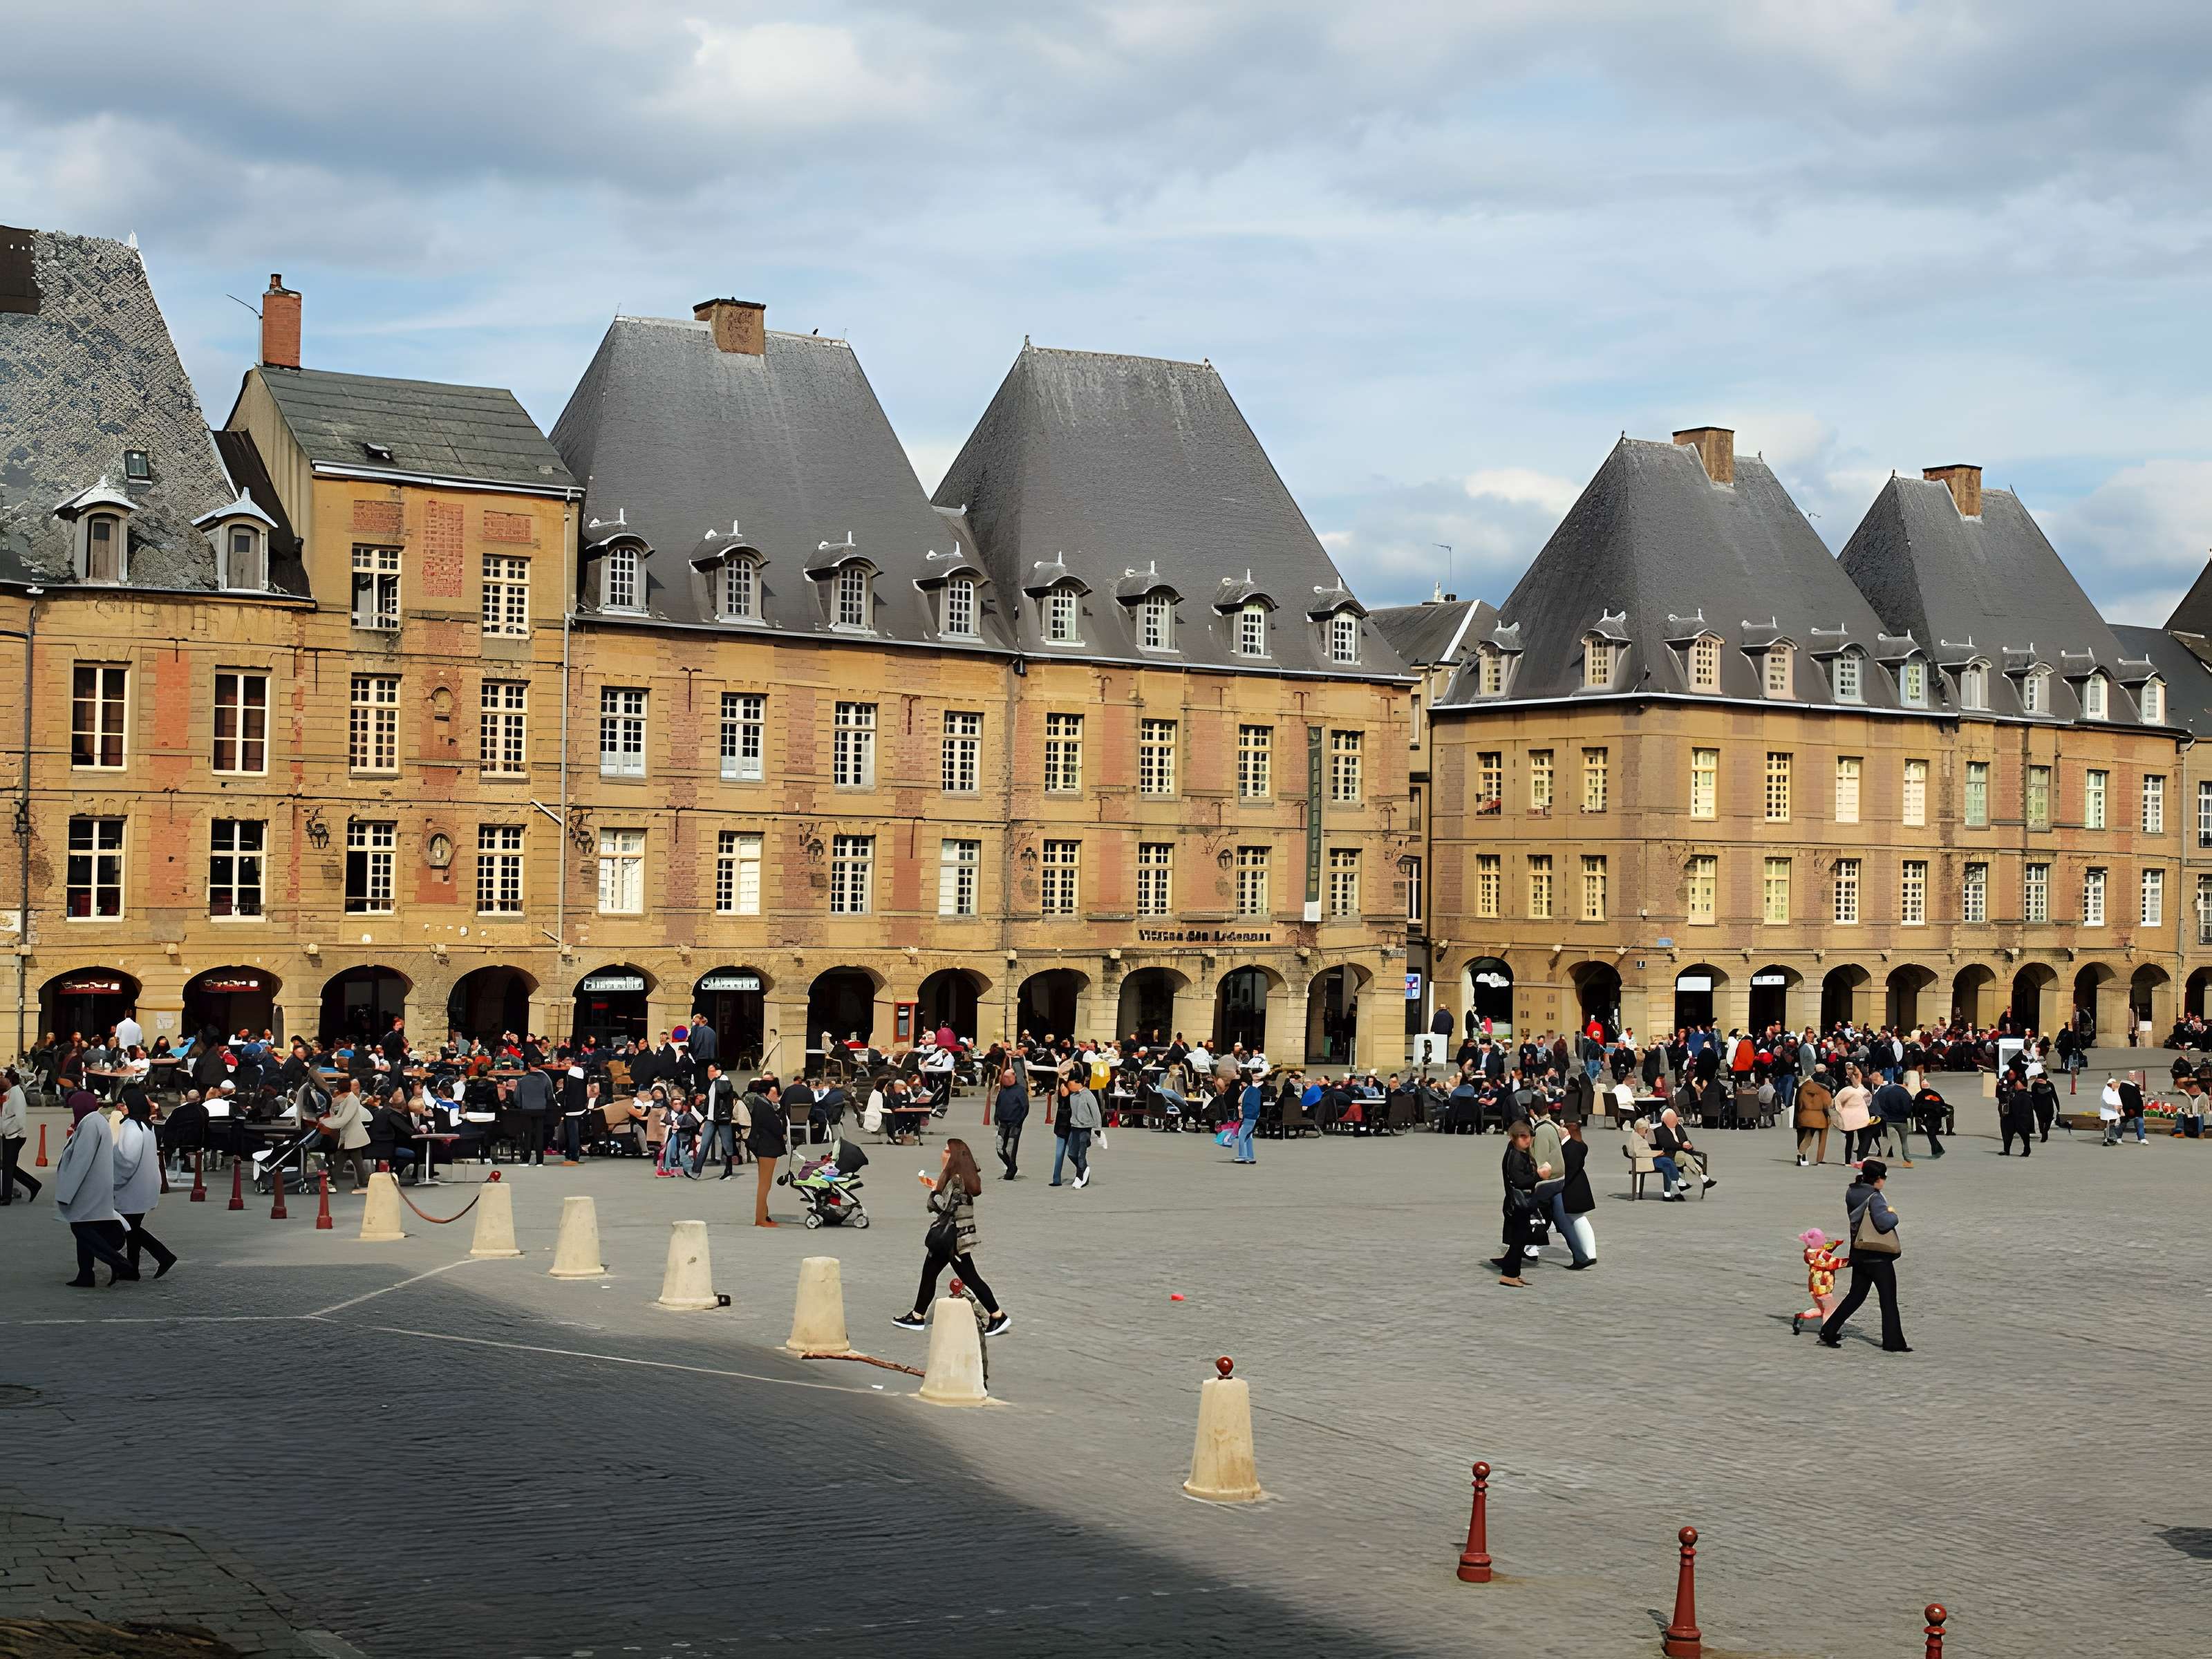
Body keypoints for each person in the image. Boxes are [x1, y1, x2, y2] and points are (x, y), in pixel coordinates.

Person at [891, 1138, 1009, 1338]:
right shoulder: (961, 1175)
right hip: (951, 1237)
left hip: (953, 1239)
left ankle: (998, 1315)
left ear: (954, 1156)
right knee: (930, 1273)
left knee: (970, 1278)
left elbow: (943, 1207)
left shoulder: (956, 1179)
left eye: (947, 1151)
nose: (943, 1153)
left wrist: (934, 1190)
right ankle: (917, 1316)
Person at [1817, 1161, 1909, 1353]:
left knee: (1856, 1296)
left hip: (1859, 1252)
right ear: (1876, 1179)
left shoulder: (1852, 1192)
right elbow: (1884, 1223)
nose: (1884, 1181)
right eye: (1883, 1178)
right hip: (1878, 1255)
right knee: (1888, 1299)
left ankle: (1829, 1330)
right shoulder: (1875, 1197)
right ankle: (1893, 1343)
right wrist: (1893, 1214)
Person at [55, 1091, 135, 1287]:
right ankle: (85, 1274)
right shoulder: (94, 1121)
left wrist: (66, 1193)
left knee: (81, 1228)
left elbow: (80, 1161)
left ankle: (119, 1263)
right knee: (84, 1228)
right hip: (93, 1186)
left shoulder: (90, 1124)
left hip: (87, 1187)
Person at [112, 1089, 177, 1278]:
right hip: (143, 1185)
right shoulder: (146, 1126)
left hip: (132, 1188)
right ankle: (133, 1269)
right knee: (132, 1230)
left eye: (123, 1104)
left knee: (129, 1228)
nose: (120, 1108)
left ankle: (163, 1256)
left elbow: (127, 1161)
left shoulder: (132, 1127)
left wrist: (113, 1180)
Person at [1495, 1121, 1541, 1287]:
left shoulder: (1520, 1153)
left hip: (1519, 1202)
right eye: (1522, 1137)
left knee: (1520, 1239)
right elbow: (1520, 1181)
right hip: (1517, 1203)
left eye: (1528, 1136)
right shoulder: (1515, 1155)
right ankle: (1509, 1275)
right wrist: (1539, 1176)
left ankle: (1513, 1272)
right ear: (1513, 1138)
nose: (1526, 1140)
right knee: (1518, 1239)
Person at [1550, 1120, 1596, 1270]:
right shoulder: (1578, 1145)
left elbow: (1568, 1168)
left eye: (1563, 1128)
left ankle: (1588, 1254)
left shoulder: (1570, 1148)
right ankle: (1589, 1253)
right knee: (1578, 1218)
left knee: (1577, 1218)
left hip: (1573, 1187)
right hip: (1579, 1185)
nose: (1560, 1129)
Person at [315, 1080, 375, 1192]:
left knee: (345, 1160)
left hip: (353, 1137)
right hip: (349, 1138)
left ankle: (332, 1183)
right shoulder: (347, 1099)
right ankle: (360, 1183)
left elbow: (343, 1120)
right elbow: (337, 1114)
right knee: (349, 1161)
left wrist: (325, 1122)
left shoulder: (352, 1100)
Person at [746, 1073, 787, 1226]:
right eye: (775, 1093)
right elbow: (777, 1127)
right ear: (767, 1093)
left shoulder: (763, 1103)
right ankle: (761, 1219)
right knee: (764, 1184)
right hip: (767, 1148)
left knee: (765, 1184)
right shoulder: (764, 1106)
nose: (777, 1096)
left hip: (765, 1147)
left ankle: (764, 1215)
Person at [1792, 1227, 1845, 1335]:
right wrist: (1853, 1261)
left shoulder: (1810, 1252)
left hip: (1814, 1287)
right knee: (1830, 1311)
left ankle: (1801, 1316)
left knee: (1823, 1310)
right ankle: (1826, 1332)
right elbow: (1834, 1263)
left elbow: (1826, 1248)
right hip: (1823, 1288)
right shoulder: (1820, 1256)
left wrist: (1836, 1243)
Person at [0, 1068, 39, 1206]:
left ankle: (6, 1197)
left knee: (7, 1167)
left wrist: (12, 1131)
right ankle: (33, 1185)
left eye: (2, 1078)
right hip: (8, 1134)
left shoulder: (16, 1093)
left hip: (15, 1136)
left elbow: (20, 1118)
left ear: (8, 1080)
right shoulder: (8, 1093)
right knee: (7, 1165)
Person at [991, 1068, 1027, 1179]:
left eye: (1007, 1077)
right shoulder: (1002, 1092)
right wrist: (996, 1118)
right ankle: (1012, 1167)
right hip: (1003, 1124)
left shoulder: (1020, 1091)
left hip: (1014, 1125)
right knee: (999, 1148)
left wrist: (1019, 1122)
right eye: (1004, 1077)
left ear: (1013, 1077)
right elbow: (998, 1105)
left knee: (1010, 1150)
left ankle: (1011, 1171)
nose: (1004, 1079)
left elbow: (1025, 1108)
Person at [1793, 1069, 1833, 1168]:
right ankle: (1819, 1158)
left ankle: (1801, 1154)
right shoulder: (1820, 1089)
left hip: (1804, 1116)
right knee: (1820, 1137)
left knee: (1807, 1137)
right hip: (1819, 1117)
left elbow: (1800, 1105)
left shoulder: (1802, 1089)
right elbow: (1827, 1102)